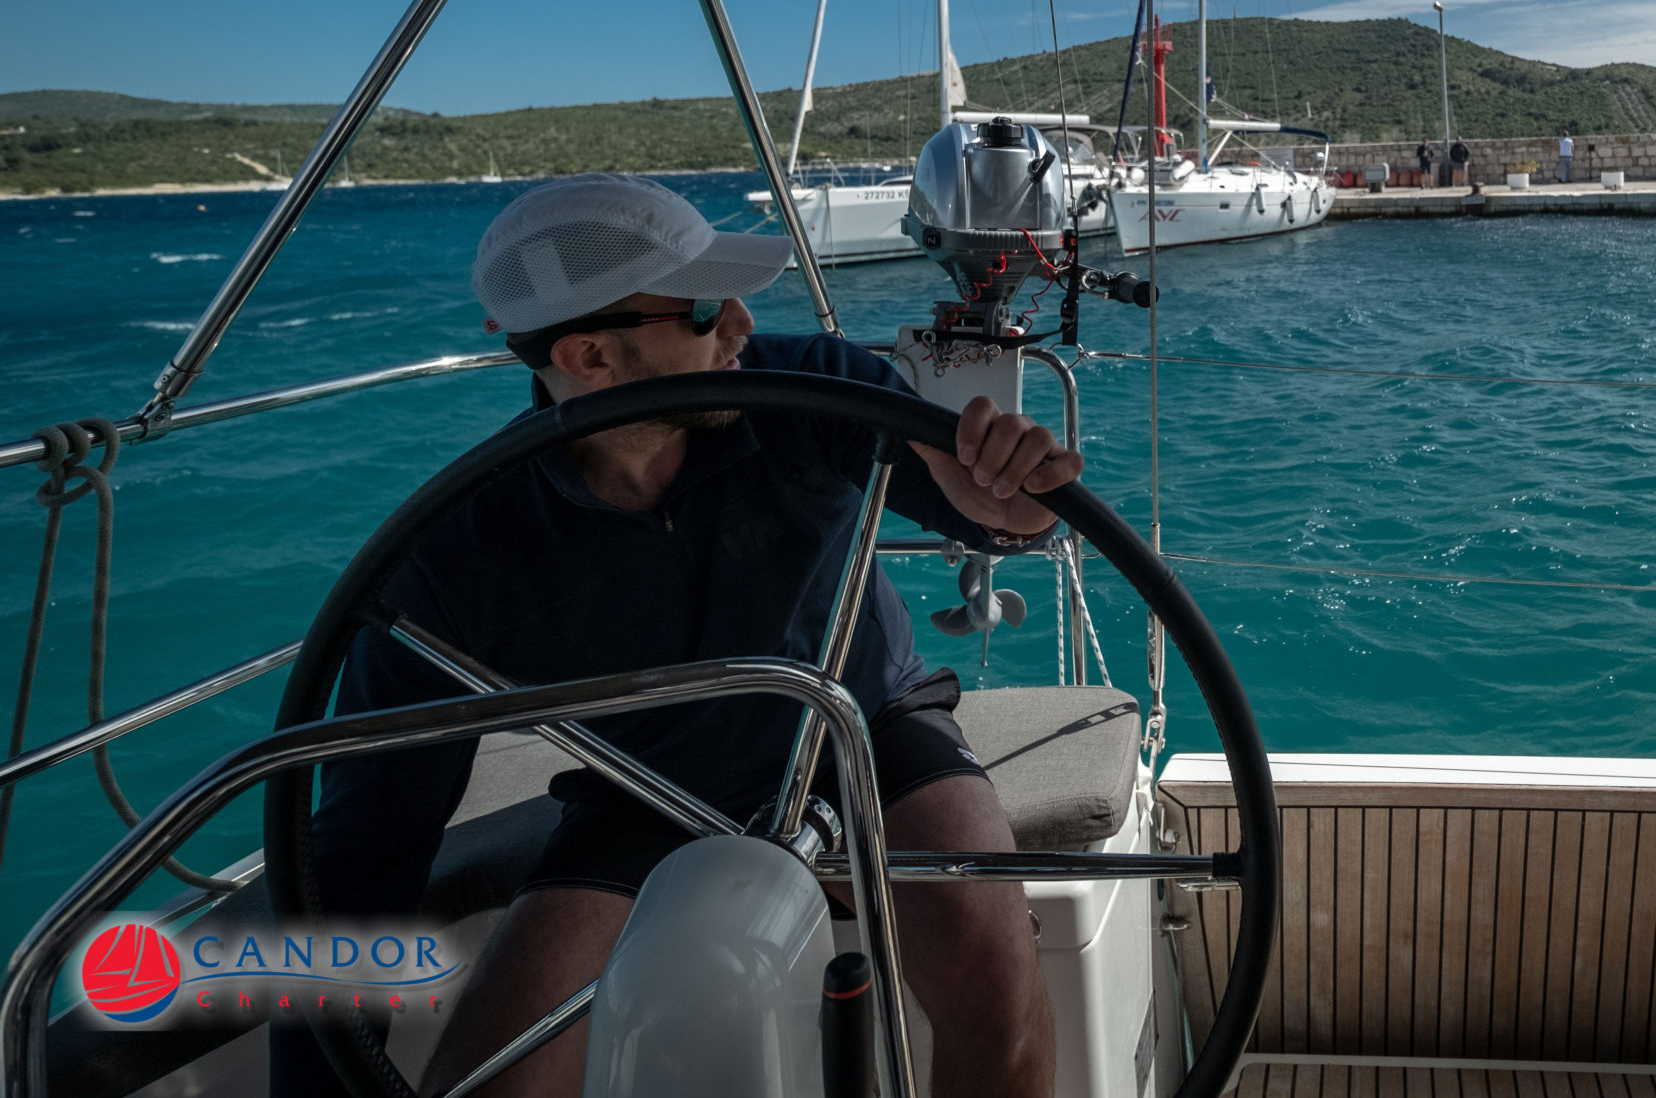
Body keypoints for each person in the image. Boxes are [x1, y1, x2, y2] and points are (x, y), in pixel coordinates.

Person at [284, 175, 1073, 1098]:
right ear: (589, 356)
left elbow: (978, 504)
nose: (741, 322)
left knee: (996, 973)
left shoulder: (810, 385)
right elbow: (366, 847)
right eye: (705, 308)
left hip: (867, 735)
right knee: (490, 1085)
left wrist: (1013, 508)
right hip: (639, 796)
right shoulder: (458, 552)